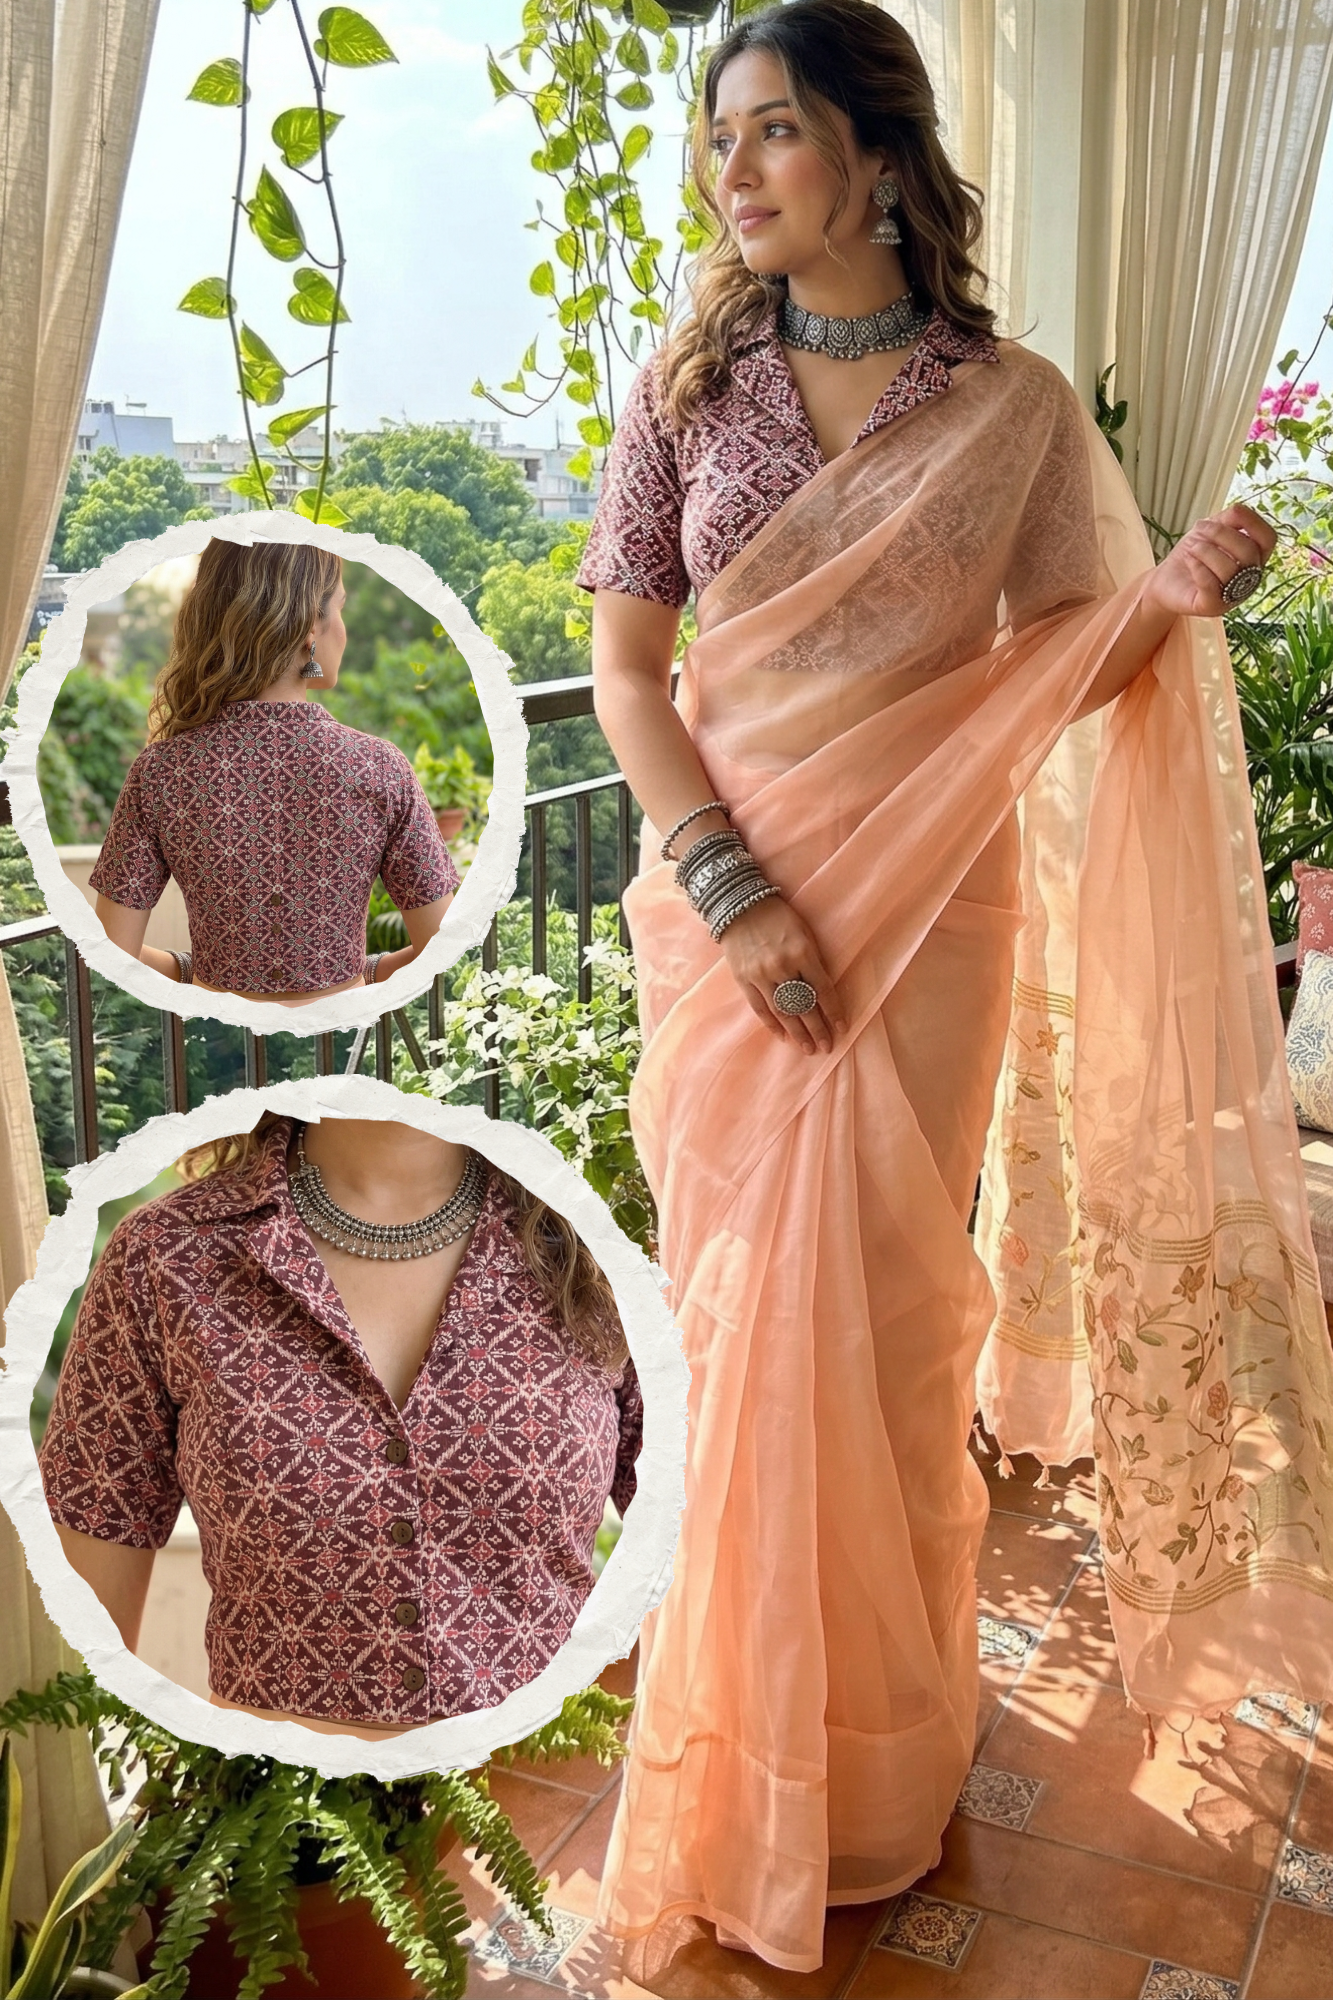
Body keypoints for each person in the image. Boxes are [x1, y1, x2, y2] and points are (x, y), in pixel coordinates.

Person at [577, 0, 1333, 1975]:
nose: (730, 175)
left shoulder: (1009, 411)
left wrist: (1166, 603)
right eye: (717, 140)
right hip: (735, 922)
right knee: (743, 1334)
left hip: (933, 922)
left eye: (771, 135)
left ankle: (887, 1755)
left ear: (878, 158)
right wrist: (732, 886)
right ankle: (748, 1759)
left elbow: (1050, 674)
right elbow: (630, 681)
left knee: (901, 1330)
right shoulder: (677, 388)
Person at [38, 1114, 642, 1738]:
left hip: (556, 1811)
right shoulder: (166, 1256)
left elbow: (712, 1572)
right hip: (272, 1818)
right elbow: (77, 1653)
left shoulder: (606, 1252)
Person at [89, 539, 461, 1005]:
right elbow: (442, 944)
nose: (344, 629)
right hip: (340, 1033)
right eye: (340, 608)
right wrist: (361, 973)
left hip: (218, 1039)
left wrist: (194, 974)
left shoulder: (161, 772)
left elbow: (111, 950)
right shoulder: (379, 767)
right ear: (310, 624)